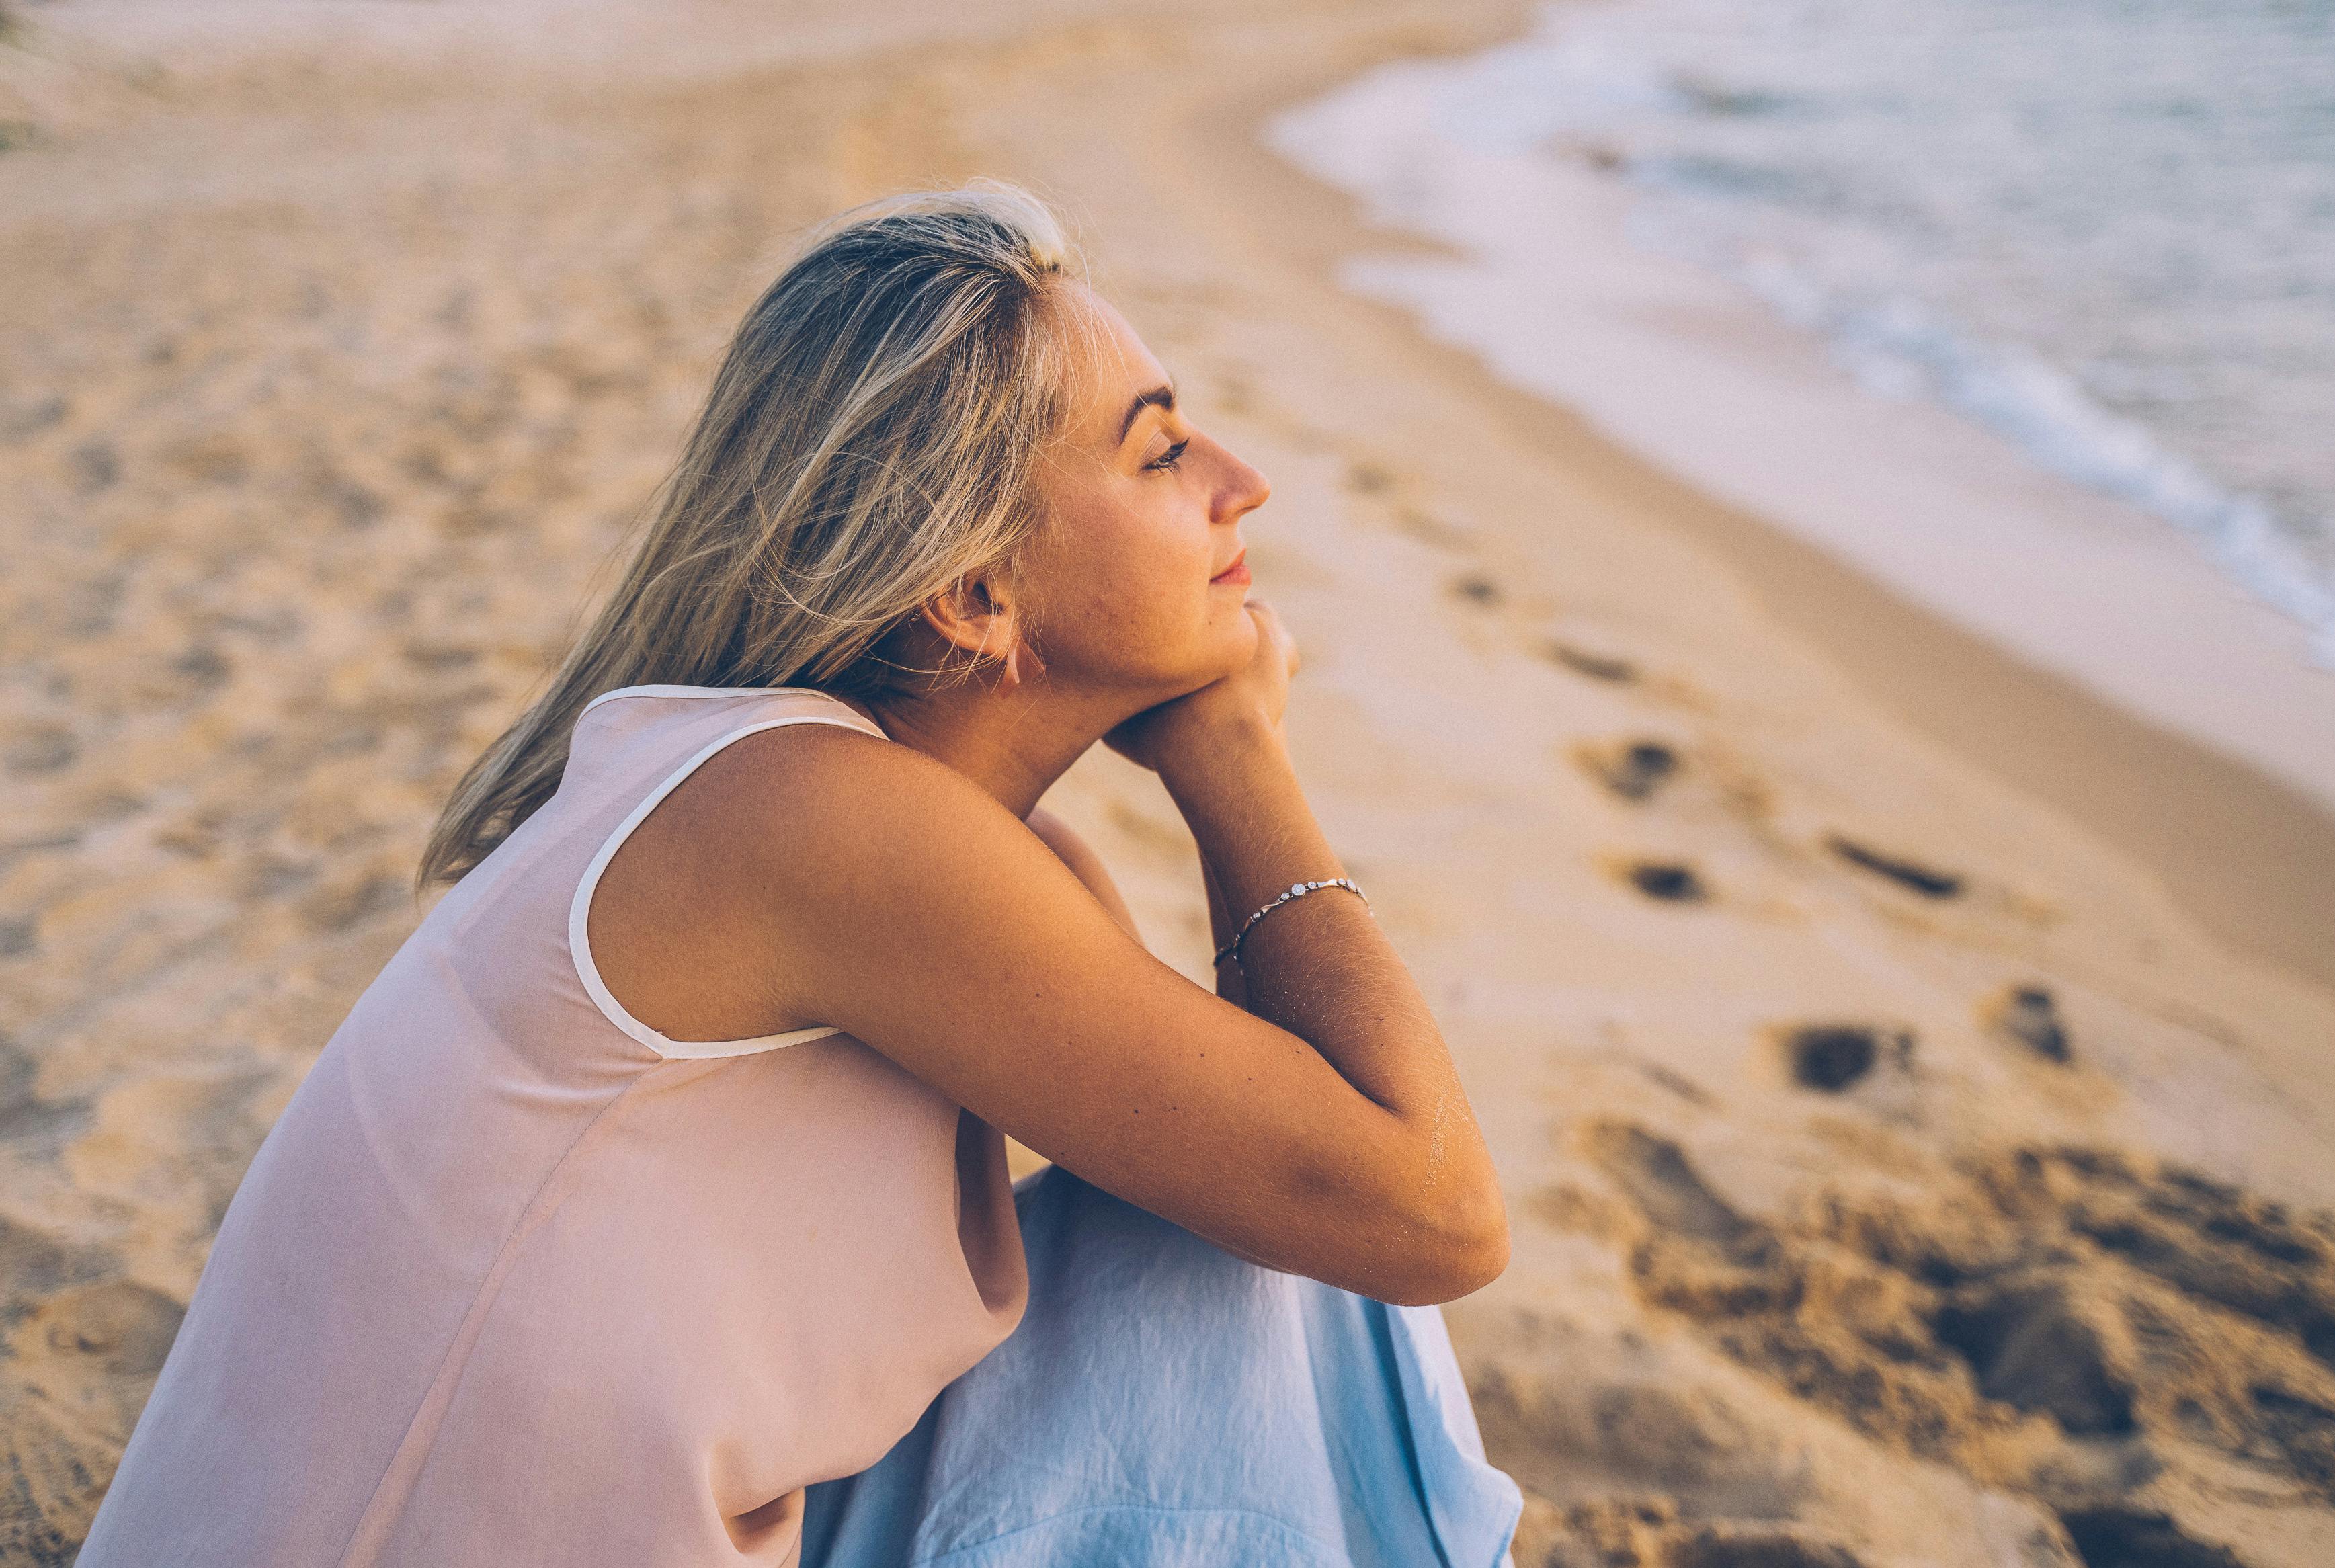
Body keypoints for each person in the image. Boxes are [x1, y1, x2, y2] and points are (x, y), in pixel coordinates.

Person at [79, 181, 1520, 1567]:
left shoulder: (878, 827)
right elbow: (1433, 1213)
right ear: (972, 593)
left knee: (1256, 1227)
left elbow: (1328, 1164)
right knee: (1300, 1236)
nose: (1240, 483)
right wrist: (1237, 761)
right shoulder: (812, 823)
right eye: (1159, 454)